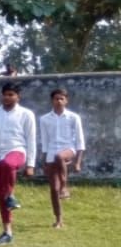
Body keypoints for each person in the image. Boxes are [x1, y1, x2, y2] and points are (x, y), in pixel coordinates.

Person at [0, 82, 37, 245]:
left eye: (11, 94)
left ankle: (10, 195)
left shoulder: (26, 114)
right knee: (1, 195)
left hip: (16, 152)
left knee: (7, 165)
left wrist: (31, 164)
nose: (7, 97)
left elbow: (31, 140)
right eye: (5, 94)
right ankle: (7, 232)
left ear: (18, 97)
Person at [40, 88, 84, 229]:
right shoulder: (44, 119)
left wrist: (77, 162)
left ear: (66, 100)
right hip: (51, 152)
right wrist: (44, 161)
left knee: (59, 156)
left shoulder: (73, 117)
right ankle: (58, 219)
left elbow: (80, 141)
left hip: (68, 149)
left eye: (61, 98)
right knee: (54, 189)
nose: (59, 101)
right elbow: (45, 141)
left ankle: (65, 186)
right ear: (52, 101)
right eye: (56, 98)